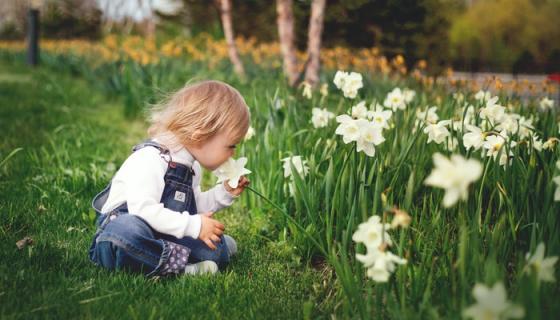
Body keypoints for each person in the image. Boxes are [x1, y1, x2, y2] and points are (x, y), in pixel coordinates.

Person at [88, 80, 250, 277]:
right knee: (124, 235)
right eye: (231, 146)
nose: (232, 153)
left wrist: (224, 193)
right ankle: (183, 269)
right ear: (200, 136)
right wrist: (194, 226)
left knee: (217, 251)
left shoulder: (192, 167)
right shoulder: (151, 158)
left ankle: (160, 258)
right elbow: (143, 210)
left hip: (162, 232)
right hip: (129, 228)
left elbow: (192, 207)